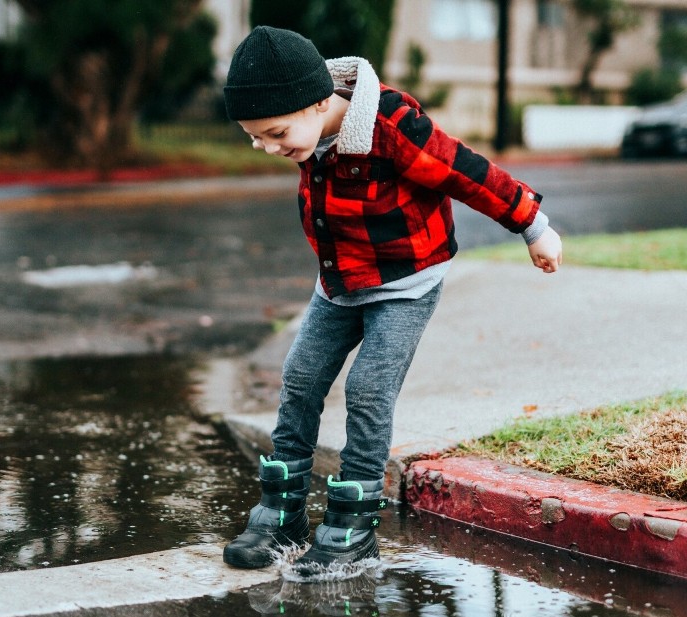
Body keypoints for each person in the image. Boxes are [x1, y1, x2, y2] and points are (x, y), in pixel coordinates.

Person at [221, 26, 562, 580]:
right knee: (301, 377)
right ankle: (280, 516)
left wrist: (533, 226)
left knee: (368, 388)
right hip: (340, 282)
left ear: (316, 103)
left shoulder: (392, 127)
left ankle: (351, 528)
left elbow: (469, 173)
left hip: (406, 282)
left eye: (275, 133)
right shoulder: (309, 130)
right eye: (254, 137)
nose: (267, 147)